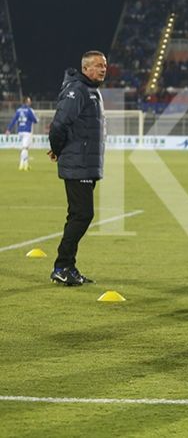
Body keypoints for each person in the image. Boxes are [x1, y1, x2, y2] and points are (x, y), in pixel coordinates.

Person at [47, 51, 107, 286]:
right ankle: (62, 266)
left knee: (78, 214)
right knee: (82, 214)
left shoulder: (92, 90)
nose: (103, 69)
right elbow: (59, 124)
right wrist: (57, 149)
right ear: (86, 68)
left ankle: (67, 267)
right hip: (77, 163)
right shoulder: (77, 90)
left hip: (85, 164)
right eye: (98, 65)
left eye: (104, 65)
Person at [5, 96, 38, 171]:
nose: (30, 102)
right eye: (29, 101)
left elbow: (14, 120)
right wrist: (35, 119)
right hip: (27, 131)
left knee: (25, 148)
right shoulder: (29, 110)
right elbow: (35, 120)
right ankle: (21, 165)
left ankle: (26, 165)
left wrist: (8, 129)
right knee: (25, 148)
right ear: (27, 102)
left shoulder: (18, 110)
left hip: (20, 131)